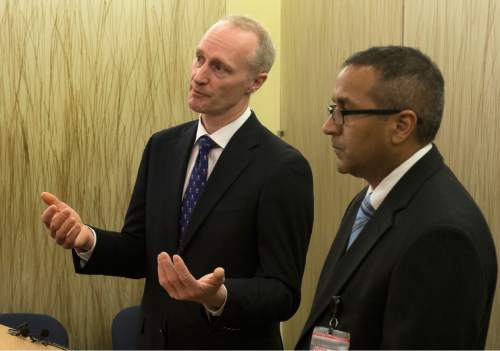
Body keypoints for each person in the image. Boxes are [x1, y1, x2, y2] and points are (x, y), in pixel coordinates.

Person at [41, 16, 314, 349]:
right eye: (199, 58)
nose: (198, 76)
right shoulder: (162, 146)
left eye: (219, 68)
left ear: (255, 83)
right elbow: (140, 251)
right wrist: (87, 239)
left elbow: (282, 292)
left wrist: (218, 297)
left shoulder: (282, 167)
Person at [296, 46, 497, 350]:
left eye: (345, 111)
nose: (329, 126)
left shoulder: (442, 236)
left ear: (402, 126)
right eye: (331, 109)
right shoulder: (372, 198)